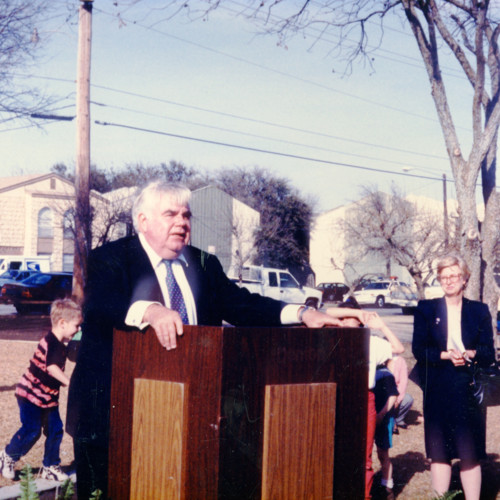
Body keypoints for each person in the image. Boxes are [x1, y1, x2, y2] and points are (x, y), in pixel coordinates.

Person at [67, 180, 372, 499]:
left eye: (186, 216)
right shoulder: (110, 258)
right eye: (171, 214)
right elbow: (101, 305)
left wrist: (301, 313)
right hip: (110, 414)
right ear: (142, 220)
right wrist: (150, 310)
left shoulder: (203, 263)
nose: (182, 223)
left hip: (189, 416)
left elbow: (241, 303)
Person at [412, 254, 495, 500]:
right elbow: (419, 350)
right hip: (437, 387)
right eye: (443, 277)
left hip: (469, 388)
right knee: (439, 453)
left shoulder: (479, 311)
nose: (448, 281)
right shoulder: (426, 309)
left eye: (453, 276)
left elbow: (488, 351)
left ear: (464, 279)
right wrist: (445, 355)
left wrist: (470, 353)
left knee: (470, 453)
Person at [0, 299, 82, 482]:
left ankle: (50, 466)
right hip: (30, 396)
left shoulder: (61, 344)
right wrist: (70, 383)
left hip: (47, 398)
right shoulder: (52, 342)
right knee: (32, 430)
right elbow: (52, 368)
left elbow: (72, 357)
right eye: (76, 326)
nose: (78, 330)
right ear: (62, 323)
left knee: (55, 430)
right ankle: (7, 456)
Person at [331, 303, 404, 500]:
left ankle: (364, 495)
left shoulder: (372, 342)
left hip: (365, 398)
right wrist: (351, 313)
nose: (345, 322)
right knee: (334, 451)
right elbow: (328, 313)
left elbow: (399, 348)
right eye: (343, 317)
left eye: (351, 318)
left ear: (361, 321)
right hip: (334, 397)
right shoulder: (330, 337)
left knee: (364, 455)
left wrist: (382, 327)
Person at [374, 365, 399, 500]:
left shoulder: (386, 373)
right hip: (371, 415)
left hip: (383, 417)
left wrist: (381, 414)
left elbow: (393, 396)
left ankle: (387, 487)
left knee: (383, 453)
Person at [391, 354, 413, 432]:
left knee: (408, 399)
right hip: (385, 393)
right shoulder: (382, 357)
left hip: (396, 392)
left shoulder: (400, 360)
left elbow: (403, 382)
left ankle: (398, 419)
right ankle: (391, 421)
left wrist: (398, 399)